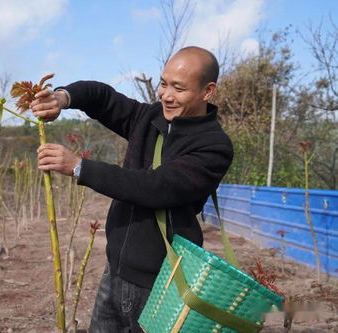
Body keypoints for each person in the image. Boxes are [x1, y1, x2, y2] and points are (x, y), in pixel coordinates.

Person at [31, 46, 234, 332]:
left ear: (207, 91)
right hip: (114, 270)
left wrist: (80, 166)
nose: (166, 94)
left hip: (159, 283)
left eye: (178, 88)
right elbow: (103, 98)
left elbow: (155, 187)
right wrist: (62, 97)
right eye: (163, 84)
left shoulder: (214, 146)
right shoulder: (150, 117)